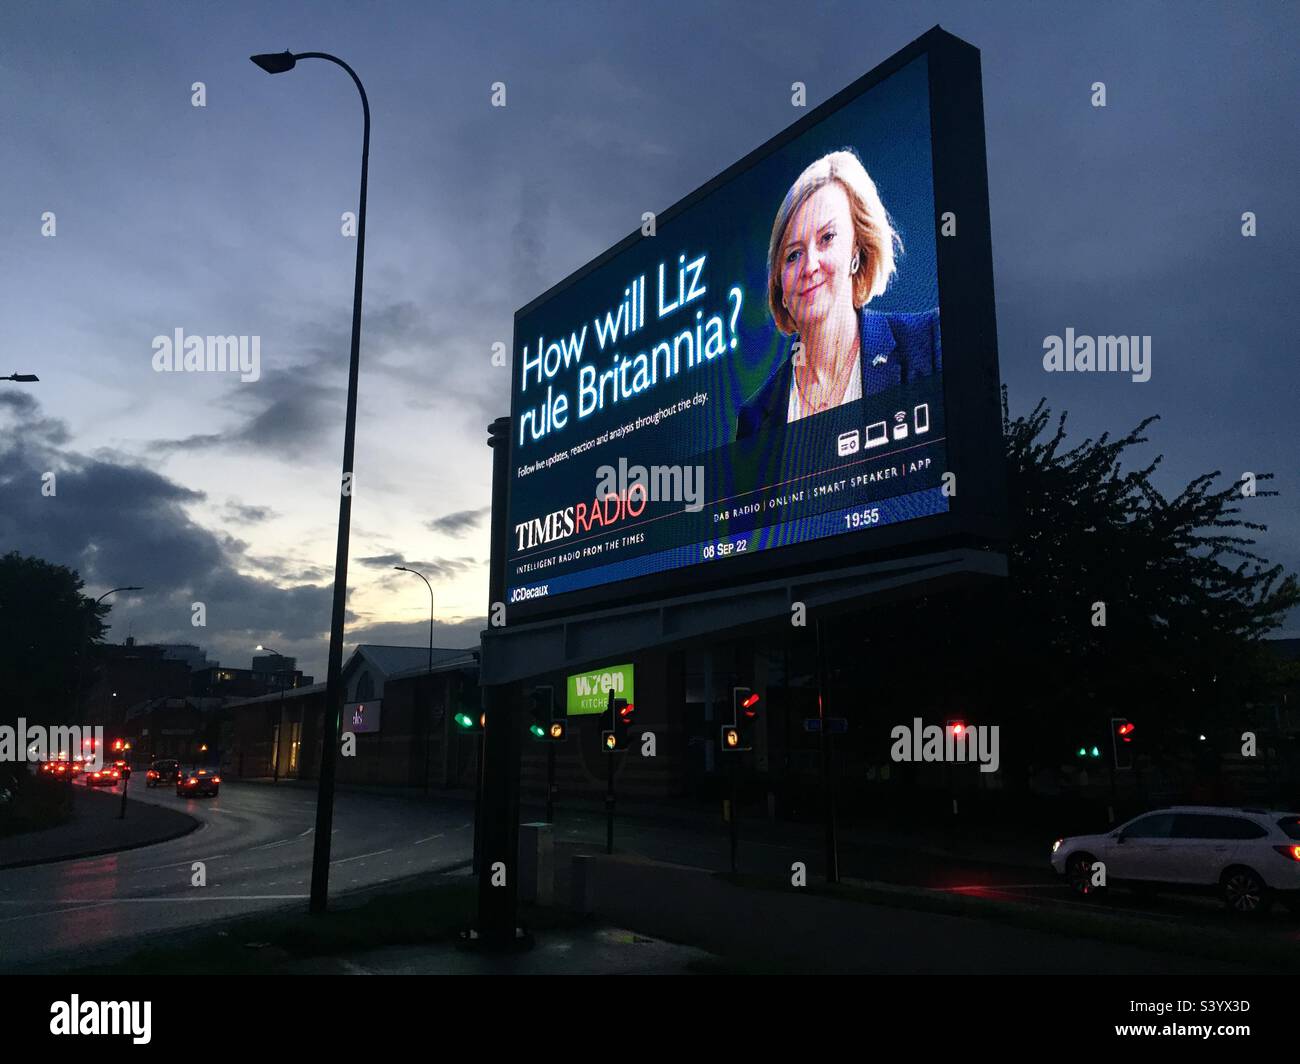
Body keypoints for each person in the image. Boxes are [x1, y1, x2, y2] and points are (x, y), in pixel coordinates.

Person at [736, 149, 940, 440]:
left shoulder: (928, 343)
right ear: (780, 286)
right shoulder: (754, 418)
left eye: (827, 238)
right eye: (793, 255)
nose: (810, 265)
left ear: (856, 250)